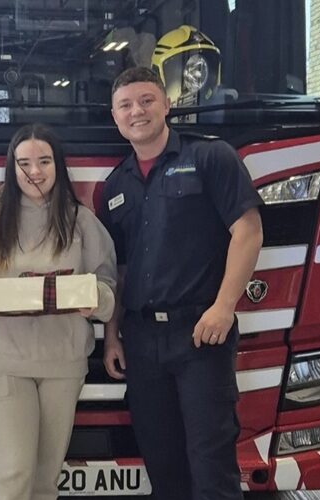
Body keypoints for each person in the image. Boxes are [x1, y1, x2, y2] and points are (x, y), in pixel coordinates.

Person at [99, 67, 263, 500]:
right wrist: (112, 335)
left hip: (200, 336)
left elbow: (248, 232)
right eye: (126, 105)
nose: (137, 111)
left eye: (147, 100)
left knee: (212, 470)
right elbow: (119, 268)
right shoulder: (115, 186)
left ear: (167, 104)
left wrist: (224, 307)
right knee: (163, 467)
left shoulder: (212, 157)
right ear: (115, 117)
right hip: (141, 341)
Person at [0, 124, 117, 500]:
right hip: (1, 364)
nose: (35, 172)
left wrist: (96, 300)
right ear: (11, 168)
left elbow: (109, 292)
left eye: (44, 161)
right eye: (24, 163)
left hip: (63, 365)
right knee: (11, 475)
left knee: (44, 481)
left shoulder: (82, 222)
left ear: (59, 165)